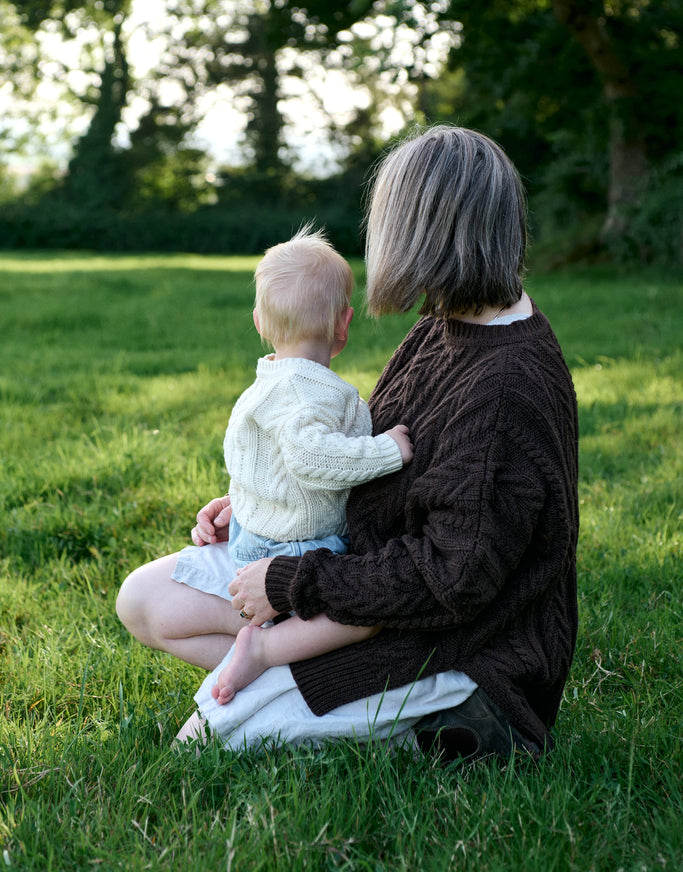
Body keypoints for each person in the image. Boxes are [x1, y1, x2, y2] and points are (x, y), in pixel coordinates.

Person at [116, 125, 579, 763]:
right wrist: (265, 500)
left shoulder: (506, 388)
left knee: (206, 745)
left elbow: (451, 579)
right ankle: (288, 669)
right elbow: (359, 447)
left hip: (454, 642)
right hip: (358, 579)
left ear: (425, 232)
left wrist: (292, 585)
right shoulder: (442, 325)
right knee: (146, 601)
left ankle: (458, 720)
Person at [191, 228, 413, 703]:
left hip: (259, 535)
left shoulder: (268, 383)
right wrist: (387, 450)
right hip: (295, 547)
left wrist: (240, 506)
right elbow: (313, 458)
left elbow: (265, 464)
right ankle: (266, 650)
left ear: (258, 322)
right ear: (344, 324)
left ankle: (275, 664)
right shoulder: (308, 390)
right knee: (360, 618)